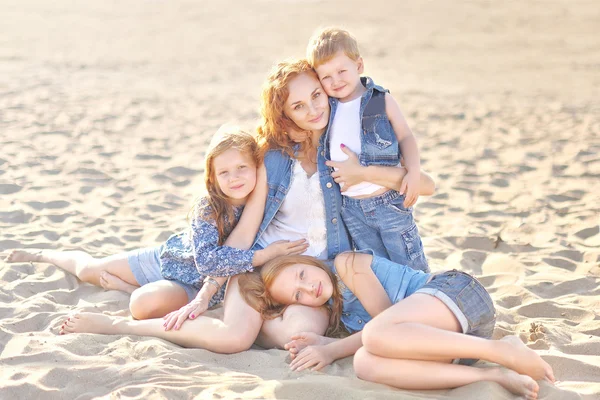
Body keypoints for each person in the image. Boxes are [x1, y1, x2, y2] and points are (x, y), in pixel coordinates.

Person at [56, 59, 435, 352]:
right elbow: (247, 229)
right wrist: (206, 293)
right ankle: (116, 322)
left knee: (299, 334)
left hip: (310, 276)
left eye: (316, 96)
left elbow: (421, 183)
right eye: (298, 106)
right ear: (284, 114)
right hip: (260, 266)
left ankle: (232, 313)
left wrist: (369, 171)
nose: (313, 110)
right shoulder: (272, 156)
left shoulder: (343, 145)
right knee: (228, 337)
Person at [5, 126, 307, 325]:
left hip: (191, 288)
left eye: (242, 167)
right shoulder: (209, 207)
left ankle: (127, 289)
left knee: (142, 306)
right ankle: (46, 253)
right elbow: (206, 260)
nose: (235, 178)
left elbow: (210, 273)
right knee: (90, 270)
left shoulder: (263, 208)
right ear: (212, 177)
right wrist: (259, 257)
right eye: (224, 172)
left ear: (257, 167)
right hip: (165, 260)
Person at [239, 252, 555, 399]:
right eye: (298, 295)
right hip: (447, 341)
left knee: (375, 336)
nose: (309, 289)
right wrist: (323, 343)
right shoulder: (342, 312)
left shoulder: (347, 265)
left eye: (302, 276)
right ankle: (491, 373)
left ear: (306, 262)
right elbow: (390, 338)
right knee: (363, 363)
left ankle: (498, 350)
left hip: (458, 296)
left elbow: (388, 322)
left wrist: (332, 350)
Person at [306, 27, 429, 271]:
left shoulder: (379, 99)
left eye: (342, 71)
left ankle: (425, 305)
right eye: (326, 77)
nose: (335, 81)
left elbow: (405, 136)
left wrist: (413, 171)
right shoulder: (328, 108)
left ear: (359, 65)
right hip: (351, 209)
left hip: (387, 201)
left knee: (410, 266)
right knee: (379, 270)